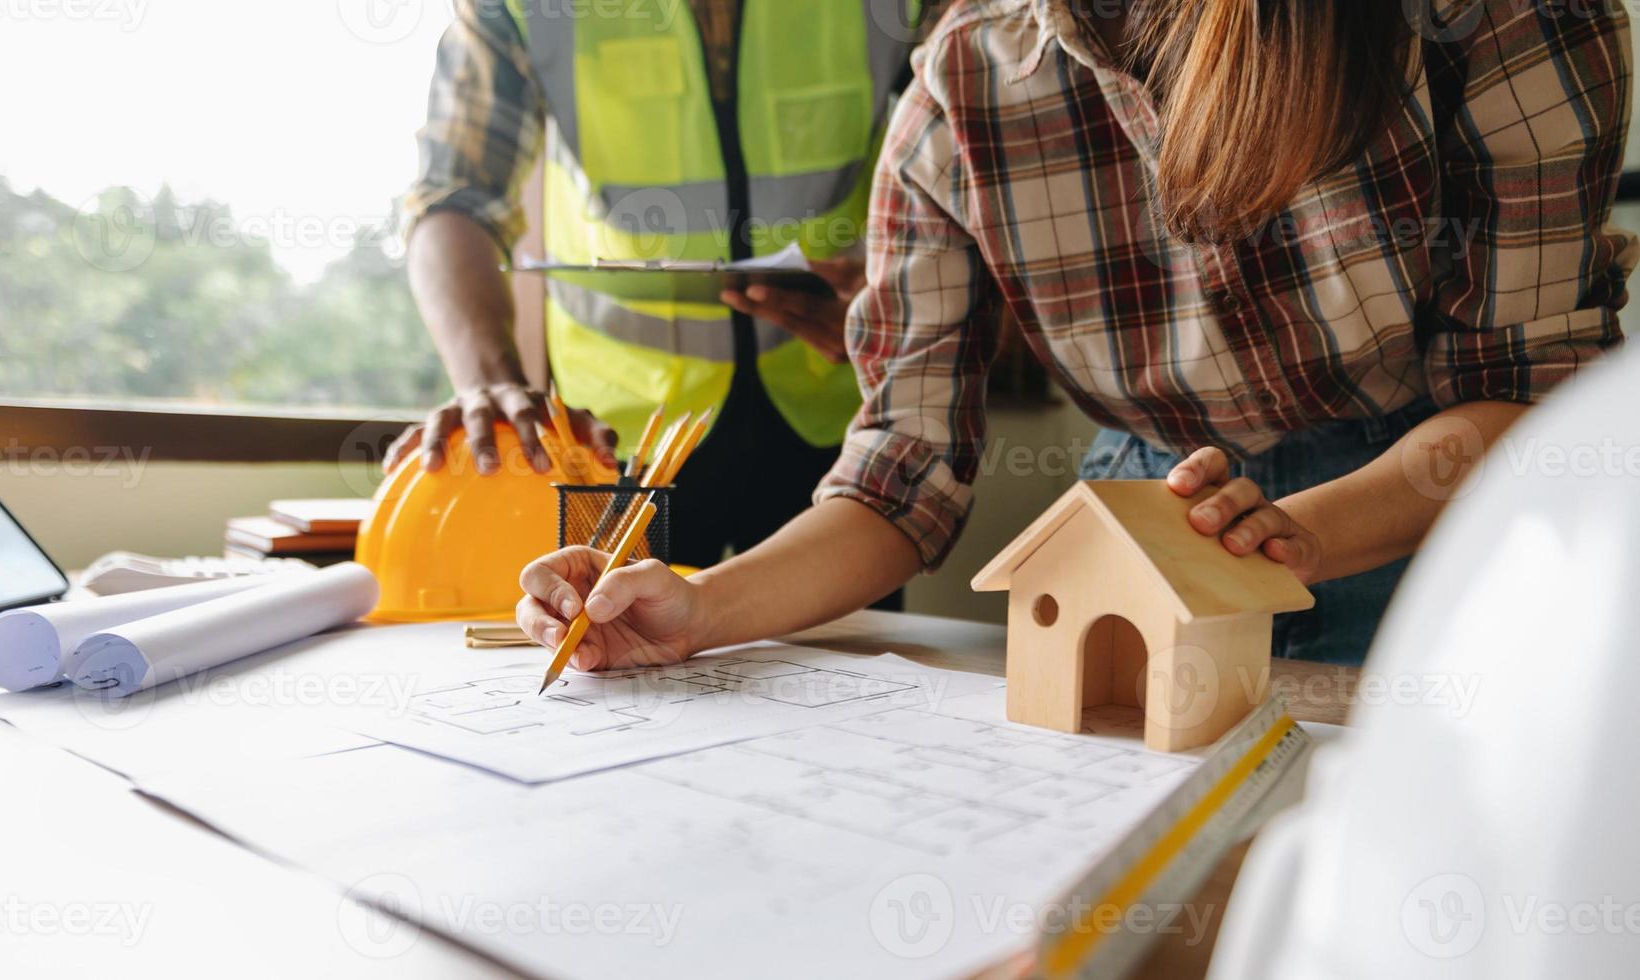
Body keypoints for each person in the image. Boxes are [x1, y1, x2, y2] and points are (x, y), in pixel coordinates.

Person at [516, 0, 1634, 668]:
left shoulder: (1493, 18)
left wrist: (1276, 538)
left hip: (1440, 524)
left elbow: (1524, 396)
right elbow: (900, 476)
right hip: (1134, 530)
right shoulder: (958, 81)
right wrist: (699, 607)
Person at [391, 0, 928, 570]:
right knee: (616, 646)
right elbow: (454, 198)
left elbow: (965, 161)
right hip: (617, 439)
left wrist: (906, 293)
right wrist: (489, 381)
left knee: (848, 657)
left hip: (837, 417)